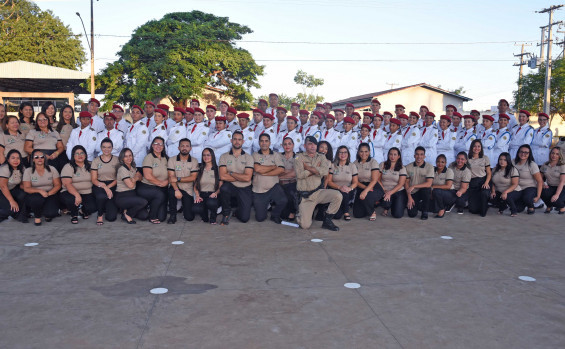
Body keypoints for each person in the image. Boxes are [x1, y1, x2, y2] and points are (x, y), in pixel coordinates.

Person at [295, 136, 341, 230]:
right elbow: (299, 175)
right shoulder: (298, 157)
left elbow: (324, 172)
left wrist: (307, 168)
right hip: (305, 196)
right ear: (305, 145)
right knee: (305, 225)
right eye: (310, 144)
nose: (313, 146)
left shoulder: (321, 156)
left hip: (318, 192)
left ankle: (327, 221)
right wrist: (316, 169)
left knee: (338, 195)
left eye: (315, 144)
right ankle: (299, 213)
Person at [218, 131, 254, 225]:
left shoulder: (248, 157)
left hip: (245, 187)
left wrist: (230, 173)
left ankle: (237, 211)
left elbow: (247, 178)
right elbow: (222, 176)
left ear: (243, 141)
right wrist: (240, 176)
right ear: (231, 140)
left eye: (239, 139)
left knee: (244, 218)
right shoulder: (224, 156)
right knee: (224, 188)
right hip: (231, 186)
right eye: (235, 139)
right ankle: (226, 213)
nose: (237, 142)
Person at [252, 133, 287, 223]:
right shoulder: (255, 155)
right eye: (262, 141)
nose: (264, 143)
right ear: (259, 143)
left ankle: (274, 215)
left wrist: (265, 173)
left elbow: (281, 169)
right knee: (260, 218)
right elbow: (257, 168)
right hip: (259, 190)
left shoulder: (276, 155)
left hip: (273, 187)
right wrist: (272, 166)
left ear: (270, 143)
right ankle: (265, 207)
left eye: (266, 141)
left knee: (283, 200)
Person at [22, 149, 61, 225]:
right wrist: (40, 191)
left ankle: (45, 211)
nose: (39, 159)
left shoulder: (52, 169)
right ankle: (37, 217)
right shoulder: (28, 171)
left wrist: (49, 193)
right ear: (33, 159)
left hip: (50, 193)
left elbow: (58, 185)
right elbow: (26, 188)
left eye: (42, 157)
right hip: (34, 194)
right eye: (36, 157)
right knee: (37, 199)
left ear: (44, 158)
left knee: (51, 213)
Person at [60, 145, 96, 224]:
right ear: (73, 156)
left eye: (82, 153)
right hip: (70, 192)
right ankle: (74, 214)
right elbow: (67, 183)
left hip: (87, 192)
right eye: (77, 154)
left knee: (93, 207)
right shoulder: (68, 166)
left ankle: (82, 210)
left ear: (85, 155)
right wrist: (76, 195)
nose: (80, 155)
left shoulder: (90, 165)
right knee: (71, 200)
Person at [137, 137, 169, 224]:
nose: (158, 146)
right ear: (152, 145)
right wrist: (161, 183)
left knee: (162, 218)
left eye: (160, 144)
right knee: (160, 194)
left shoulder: (165, 158)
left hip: (160, 188)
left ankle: (151, 205)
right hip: (147, 187)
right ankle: (152, 216)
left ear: (163, 146)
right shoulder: (149, 157)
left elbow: (171, 173)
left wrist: (167, 181)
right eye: (156, 143)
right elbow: (147, 176)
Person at [167, 138, 199, 224]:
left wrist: (178, 179)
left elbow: (193, 178)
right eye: (182, 146)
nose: (184, 148)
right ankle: (173, 215)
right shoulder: (172, 159)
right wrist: (176, 190)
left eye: (187, 146)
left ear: (190, 148)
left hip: (188, 190)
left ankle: (184, 208)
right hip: (176, 188)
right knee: (171, 191)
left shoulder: (194, 161)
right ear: (178, 148)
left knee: (189, 217)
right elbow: (171, 177)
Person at [115, 148, 148, 224]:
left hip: (132, 196)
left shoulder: (133, 167)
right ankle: (127, 214)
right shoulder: (122, 169)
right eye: (126, 156)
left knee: (144, 216)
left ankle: (126, 211)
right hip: (122, 197)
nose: (128, 158)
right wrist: (135, 178)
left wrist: (133, 179)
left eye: (130, 155)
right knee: (144, 202)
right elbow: (130, 185)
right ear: (122, 158)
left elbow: (141, 178)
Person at [91, 138, 120, 225]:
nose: (106, 149)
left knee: (111, 218)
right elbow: (93, 179)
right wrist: (104, 187)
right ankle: (100, 215)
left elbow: (118, 178)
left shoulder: (117, 160)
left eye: (109, 147)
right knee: (101, 196)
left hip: (113, 184)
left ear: (112, 148)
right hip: (99, 184)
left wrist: (108, 188)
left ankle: (106, 207)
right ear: (101, 148)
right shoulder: (96, 160)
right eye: (104, 147)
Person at [353, 143, 384, 220]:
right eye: (361, 151)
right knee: (358, 214)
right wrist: (364, 188)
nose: (364, 154)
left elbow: (374, 180)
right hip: (360, 186)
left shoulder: (373, 162)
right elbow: (355, 180)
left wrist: (365, 191)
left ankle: (372, 211)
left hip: (373, 186)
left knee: (367, 196)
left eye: (366, 151)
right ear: (358, 152)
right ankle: (368, 205)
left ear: (369, 152)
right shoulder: (355, 163)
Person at [327, 145, 358, 220]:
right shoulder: (333, 165)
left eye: (345, 152)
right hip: (335, 189)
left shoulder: (352, 166)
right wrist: (339, 187)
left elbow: (355, 182)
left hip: (348, 191)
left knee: (345, 192)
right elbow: (329, 181)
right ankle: (344, 210)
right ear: (337, 154)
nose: (343, 154)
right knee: (337, 216)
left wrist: (349, 188)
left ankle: (346, 211)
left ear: (348, 154)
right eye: (340, 152)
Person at [193, 148, 222, 224]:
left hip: (213, 194)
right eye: (204, 155)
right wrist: (197, 195)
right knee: (196, 208)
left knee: (211, 203)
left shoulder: (217, 169)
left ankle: (213, 217)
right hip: (202, 194)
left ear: (212, 156)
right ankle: (204, 217)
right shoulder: (199, 168)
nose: (206, 157)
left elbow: (221, 185)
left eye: (208, 155)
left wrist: (216, 193)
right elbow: (195, 185)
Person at [405, 146, 434, 220]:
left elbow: (429, 183)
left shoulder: (429, 167)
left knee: (427, 189)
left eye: (421, 154)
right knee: (412, 214)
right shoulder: (408, 167)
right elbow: (406, 183)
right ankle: (419, 205)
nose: (419, 157)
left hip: (423, 191)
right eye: (417, 154)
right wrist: (409, 197)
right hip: (412, 193)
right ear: (414, 155)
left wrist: (414, 186)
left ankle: (425, 211)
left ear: (424, 156)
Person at [513, 144, 543, 214]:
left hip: (529, 187)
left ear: (529, 154)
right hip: (517, 188)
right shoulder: (513, 162)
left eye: (526, 152)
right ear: (518, 152)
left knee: (527, 197)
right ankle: (523, 202)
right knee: (518, 209)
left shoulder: (532, 165)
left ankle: (530, 206)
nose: (523, 154)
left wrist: (538, 196)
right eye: (521, 152)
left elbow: (539, 181)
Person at [490, 152, 521, 217]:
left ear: (508, 161)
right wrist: (493, 191)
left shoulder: (512, 169)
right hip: (500, 190)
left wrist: (505, 192)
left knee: (508, 196)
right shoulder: (495, 169)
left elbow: (515, 184)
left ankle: (513, 210)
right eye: (500, 159)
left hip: (513, 190)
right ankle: (503, 206)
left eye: (505, 160)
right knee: (491, 197)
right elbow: (492, 182)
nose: (502, 161)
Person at [379, 147, 407, 218]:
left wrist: (389, 193)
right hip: (384, 190)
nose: (392, 156)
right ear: (388, 155)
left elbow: (401, 184)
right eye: (391, 154)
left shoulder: (402, 168)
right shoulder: (383, 165)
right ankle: (386, 208)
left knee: (397, 215)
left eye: (395, 154)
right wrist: (385, 190)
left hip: (397, 191)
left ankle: (395, 203)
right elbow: (378, 179)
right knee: (386, 203)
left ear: (399, 156)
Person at [466, 140, 491, 217]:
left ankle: (484, 207)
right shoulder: (467, 158)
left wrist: (486, 182)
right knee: (473, 210)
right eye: (474, 146)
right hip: (472, 183)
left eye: (478, 146)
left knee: (484, 193)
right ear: (471, 147)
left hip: (482, 181)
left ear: (481, 148)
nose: (476, 148)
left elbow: (489, 172)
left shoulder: (485, 158)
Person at [0, 150, 25, 222]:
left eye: (18, 158)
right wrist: (12, 201)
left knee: (23, 194)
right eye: (13, 158)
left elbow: (22, 185)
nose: (16, 160)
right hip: (1, 191)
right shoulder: (4, 168)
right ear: (8, 159)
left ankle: (20, 215)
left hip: (11, 189)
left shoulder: (22, 168)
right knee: (10, 210)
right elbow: (3, 186)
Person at [540, 147, 565, 214]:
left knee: (556, 200)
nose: (554, 155)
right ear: (550, 154)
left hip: (562, 187)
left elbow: (562, 181)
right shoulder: (545, 164)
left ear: (560, 156)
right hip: (550, 186)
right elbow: (540, 176)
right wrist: (543, 184)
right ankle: (549, 206)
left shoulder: (562, 166)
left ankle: (562, 207)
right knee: (541, 191)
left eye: (557, 154)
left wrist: (556, 194)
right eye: (553, 153)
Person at [125, 105, 149, 169]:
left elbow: (140, 144)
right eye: (133, 112)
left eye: (137, 113)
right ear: (131, 114)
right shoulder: (130, 127)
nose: (135, 114)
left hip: (138, 160)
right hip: (129, 159)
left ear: (141, 115)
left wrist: (129, 156)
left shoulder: (142, 127)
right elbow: (126, 143)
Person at [430, 154, 454, 218]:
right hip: (436, 193)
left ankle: (442, 208)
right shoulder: (432, 169)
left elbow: (448, 186)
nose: (440, 164)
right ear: (436, 162)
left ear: (446, 163)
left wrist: (433, 187)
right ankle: (439, 206)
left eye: (442, 162)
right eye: (438, 161)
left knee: (437, 191)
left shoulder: (449, 171)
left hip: (449, 194)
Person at [279, 137, 297, 221]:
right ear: (282, 145)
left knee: (290, 195)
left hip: (292, 184)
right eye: (285, 144)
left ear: (293, 145)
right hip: (280, 184)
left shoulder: (297, 157)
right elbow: (276, 170)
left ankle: (291, 213)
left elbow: (294, 174)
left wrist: (281, 172)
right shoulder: (278, 156)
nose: (287, 146)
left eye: (289, 144)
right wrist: (289, 171)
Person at [55, 105, 78, 170]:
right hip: (61, 154)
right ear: (62, 113)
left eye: (70, 112)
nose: (68, 114)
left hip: (74, 153)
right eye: (65, 112)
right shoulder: (57, 126)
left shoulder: (77, 127)